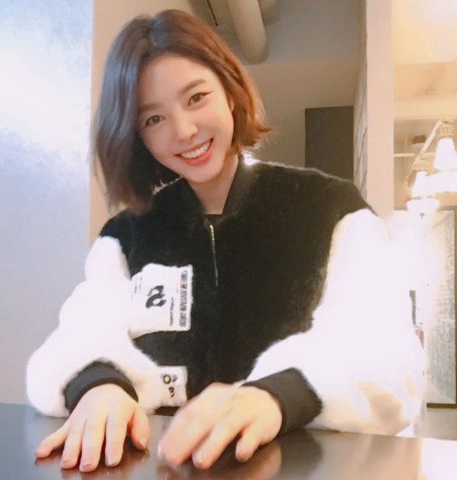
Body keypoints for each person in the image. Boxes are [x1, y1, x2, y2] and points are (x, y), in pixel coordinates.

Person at [26, 9, 424, 473]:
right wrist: (100, 385)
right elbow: (79, 334)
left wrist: (274, 396)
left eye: (196, 98)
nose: (183, 130)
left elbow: (387, 353)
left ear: (230, 90)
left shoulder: (331, 208)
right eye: (153, 119)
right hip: (163, 467)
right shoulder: (125, 236)